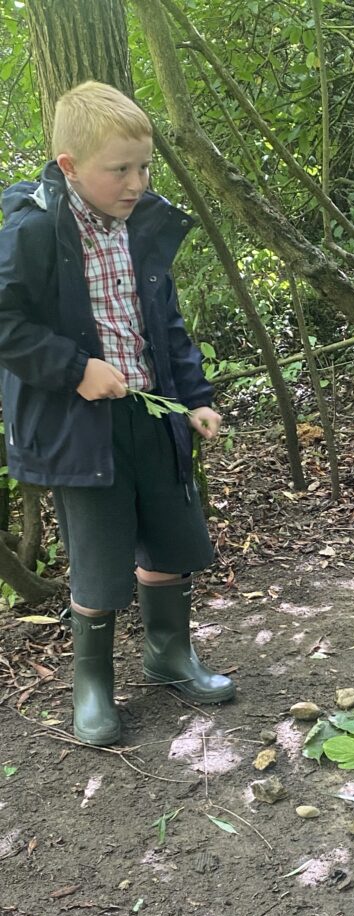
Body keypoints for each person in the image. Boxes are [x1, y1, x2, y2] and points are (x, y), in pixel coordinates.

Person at [0, 81, 234, 748]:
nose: (136, 182)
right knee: (100, 563)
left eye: (144, 166)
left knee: (169, 537)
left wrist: (194, 398)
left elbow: (166, 323)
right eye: (120, 169)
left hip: (150, 415)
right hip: (80, 430)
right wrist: (75, 370)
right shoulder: (35, 230)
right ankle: (92, 685)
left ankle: (169, 656)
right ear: (71, 166)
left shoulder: (142, 225)